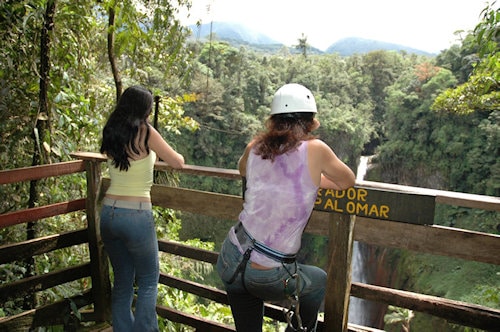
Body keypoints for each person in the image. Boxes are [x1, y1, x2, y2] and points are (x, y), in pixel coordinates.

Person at [216, 83, 356, 332]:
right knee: (318, 281)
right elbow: (347, 181)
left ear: (274, 119)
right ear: (310, 120)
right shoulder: (316, 150)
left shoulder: (255, 146)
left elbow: (242, 170)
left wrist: (296, 182)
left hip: (232, 258)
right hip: (268, 274)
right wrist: (310, 182)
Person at [99, 85, 185, 332]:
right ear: (143, 110)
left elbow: (129, 159)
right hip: (135, 213)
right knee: (148, 280)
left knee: (123, 280)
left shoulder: (112, 130)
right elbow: (177, 162)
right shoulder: (146, 131)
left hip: (109, 212)